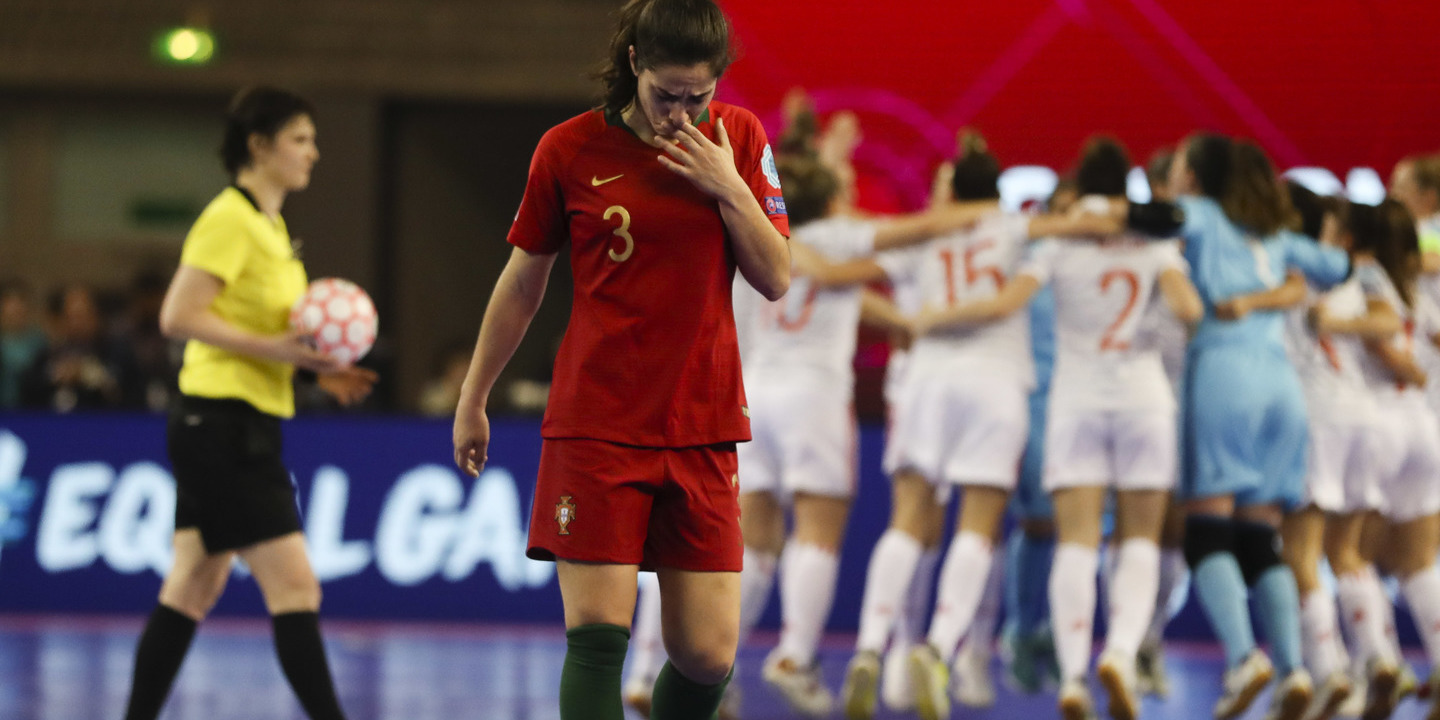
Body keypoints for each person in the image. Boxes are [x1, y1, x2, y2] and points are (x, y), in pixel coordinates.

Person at [450, 1, 791, 718]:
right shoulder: (569, 149)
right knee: (600, 638)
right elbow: (522, 283)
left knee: (707, 658)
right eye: (667, 93)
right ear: (635, 63)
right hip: (597, 423)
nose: (681, 111)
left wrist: (727, 184)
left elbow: (776, 276)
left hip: (703, 422)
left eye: (698, 96)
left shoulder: (739, 137)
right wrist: (474, 394)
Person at [912, 137, 1203, 720]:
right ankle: (1120, 653)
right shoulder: (1154, 238)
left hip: (1075, 400)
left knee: (1074, 541)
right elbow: (1191, 312)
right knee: (1139, 539)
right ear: (1127, 187)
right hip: (1144, 398)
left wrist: (928, 319)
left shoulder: (1058, 242)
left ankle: (1072, 676)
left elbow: (1006, 302)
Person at [120, 86, 376, 720]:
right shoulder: (229, 219)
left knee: (192, 587)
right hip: (222, 428)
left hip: (231, 421)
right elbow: (179, 316)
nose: (313, 152)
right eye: (300, 139)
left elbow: (259, 338)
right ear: (258, 146)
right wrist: (280, 350)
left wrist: (316, 372)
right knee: (295, 586)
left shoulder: (270, 226)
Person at [1125, 136, 1351, 720]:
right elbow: (1340, 265)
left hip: (1223, 375)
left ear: (1194, 177)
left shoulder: (1199, 215)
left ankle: (1245, 656)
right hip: (1281, 386)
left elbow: (1146, 218)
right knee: (1258, 539)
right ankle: (1295, 668)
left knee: (1206, 533)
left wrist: (1088, 211)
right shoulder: (1273, 236)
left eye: (1175, 165)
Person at [20, 283, 144, 412]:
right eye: (70, 317)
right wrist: (55, 376)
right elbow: (28, 393)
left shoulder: (117, 353)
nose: (77, 323)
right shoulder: (47, 354)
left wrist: (92, 376)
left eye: (83, 316)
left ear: (97, 316)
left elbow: (133, 395)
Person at [0, 280, 48, 409]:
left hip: (30, 408)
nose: (15, 315)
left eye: (19, 310)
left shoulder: (39, 342)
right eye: (10, 311)